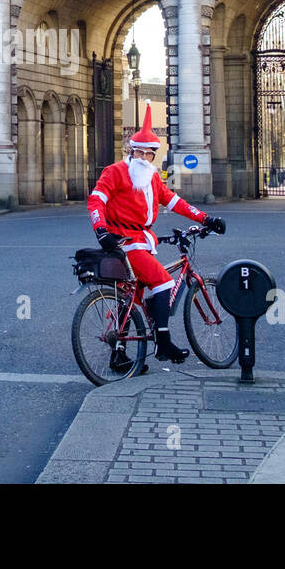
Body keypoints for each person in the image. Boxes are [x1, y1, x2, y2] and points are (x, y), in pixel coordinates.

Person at [87, 103, 226, 371]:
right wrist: (100, 229)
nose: (143, 157)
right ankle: (163, 342)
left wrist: (205, 219)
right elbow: (96, 200)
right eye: (138, 151)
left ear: (154, 155)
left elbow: (175, 202)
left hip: (143, 240)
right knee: (163, 283)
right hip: (126, 242)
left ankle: (120, 354)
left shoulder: (152, 178)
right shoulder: (115, 171)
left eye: (148, 153)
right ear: (130, 150)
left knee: (134, 296)